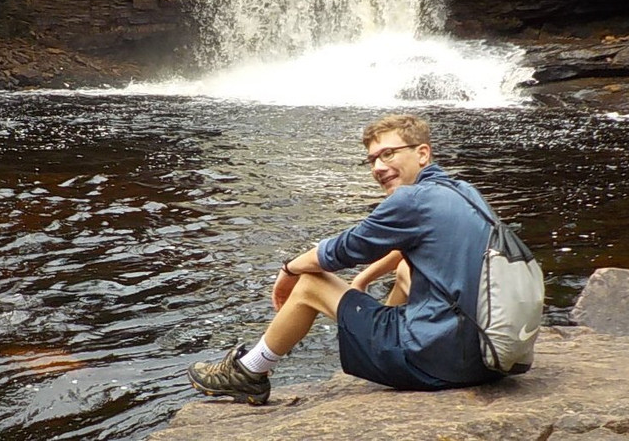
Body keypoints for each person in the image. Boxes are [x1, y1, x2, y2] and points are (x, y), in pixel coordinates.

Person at [186, 113, 504, 405]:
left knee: (311, 282)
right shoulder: (464, 192)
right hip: (487, 357)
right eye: (373, 159)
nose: (378, 167)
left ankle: (248, 372)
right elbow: (401, 244)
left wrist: (289, 269)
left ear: (422, 153)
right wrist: (364, 279)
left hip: (436, 362)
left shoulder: (411, 199)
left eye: (389, 154)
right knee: (407, 272)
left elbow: (345, 248)